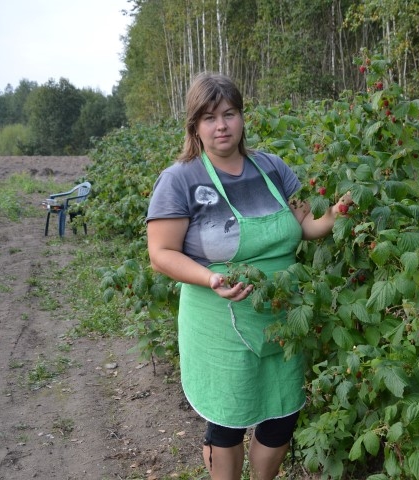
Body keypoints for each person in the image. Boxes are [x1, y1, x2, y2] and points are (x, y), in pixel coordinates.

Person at [146, 72, 351, 480]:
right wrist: (210, 279)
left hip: (281, 314)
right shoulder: (181, 179)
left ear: (242, 118)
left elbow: (305, 224)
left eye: (229, 113)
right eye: (209, 117)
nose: (221, 125)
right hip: (220, 320)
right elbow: (161, 254)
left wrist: (338, 212)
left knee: (281, 413)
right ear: (195, 126)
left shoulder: (271, 167)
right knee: (228, 418)